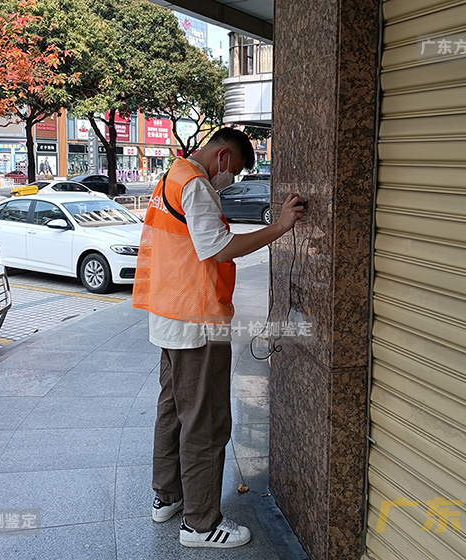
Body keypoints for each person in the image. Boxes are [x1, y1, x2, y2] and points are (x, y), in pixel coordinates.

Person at [133, 128, 304, 549]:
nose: (231, 180)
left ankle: (168, 496)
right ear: (223, 157)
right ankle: (201, 524)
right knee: (205, 423)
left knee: (172, 411)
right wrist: (281, 226)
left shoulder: (171, 175)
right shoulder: (194, 184)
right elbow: (219, 249)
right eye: (236, 171)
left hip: (169, 315)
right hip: (196, 321)